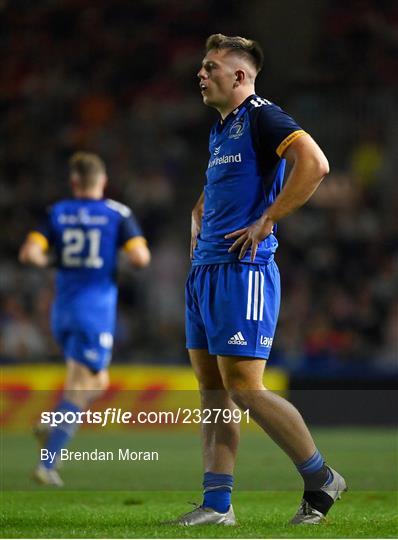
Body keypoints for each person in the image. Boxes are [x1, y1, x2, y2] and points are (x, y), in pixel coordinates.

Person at [175, 34, 347, 526]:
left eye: (210, 67)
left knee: (245, 387)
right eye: (202, 67)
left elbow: (315, 164)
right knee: (211, 391)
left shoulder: (263, 116)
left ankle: (321, 478)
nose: (201, 74)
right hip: (205, 271)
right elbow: (214, 192)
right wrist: (196, 219)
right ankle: (217, 505)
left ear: (240, 76)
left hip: (242, 270)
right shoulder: (221, 129)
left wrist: (269, 217)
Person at [19, 151, 151, 486]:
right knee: (81, 388)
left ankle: (52, 425)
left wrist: (55, 262)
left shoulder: (58, 213)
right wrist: (110, 263)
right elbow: (140, 258)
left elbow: (29, 254)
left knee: (97, 382)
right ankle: (47, 462)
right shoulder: (117, 214)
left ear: (74, 182)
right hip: (93, 311)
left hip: (61, 310)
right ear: (102, 181)